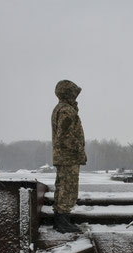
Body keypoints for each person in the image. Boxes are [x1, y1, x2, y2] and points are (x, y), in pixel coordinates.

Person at [51, 80, 87, 233]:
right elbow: (65, 135)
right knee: (68, 187)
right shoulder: (66, 110)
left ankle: (61, 220)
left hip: (64, 157)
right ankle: (63, 222)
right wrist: (80, 151)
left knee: (63, 186)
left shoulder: (62, 108)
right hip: (68, 157)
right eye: (74, 93)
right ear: (69, 93)